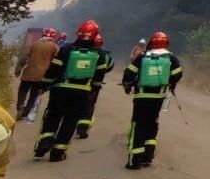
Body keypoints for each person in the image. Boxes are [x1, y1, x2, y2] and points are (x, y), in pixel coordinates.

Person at [34, 19, 102, 162]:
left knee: (52, 116)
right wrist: (93, 91)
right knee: (70, 121)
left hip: (60, 89)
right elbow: (98, 77)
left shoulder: (66, 48)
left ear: (79, 33)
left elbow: (54, 68)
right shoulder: (98, 55)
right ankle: (57, 153)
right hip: (82, 92)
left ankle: (44, 143)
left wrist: (44, 85)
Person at [121, 31, 182, 170]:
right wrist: (170, 83)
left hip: (141, 97)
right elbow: (178, 74)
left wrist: (127, 85)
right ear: (166, 43)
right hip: (159, 97)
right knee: (152, 123)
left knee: (139, 125)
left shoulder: (142, 57)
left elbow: (129, 73)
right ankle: (147, 157)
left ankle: (134, 161)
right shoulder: (171, 57)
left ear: (151, 43)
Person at [75, 32, 114, 140]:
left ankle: (73, 122)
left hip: (76, 82)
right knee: (88, 106)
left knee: (75, 105)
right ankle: (82, 128)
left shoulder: (77, 50)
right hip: (92, 85)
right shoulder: (102, 55)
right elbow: (109, 67)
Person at [14, 28, 58, 122]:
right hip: (42, 76)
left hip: (29, 73)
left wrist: (18, 69)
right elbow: (56, 62)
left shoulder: (34, 44)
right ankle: (26, 112)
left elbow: (24, 57)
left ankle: (20, 106)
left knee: (23, 90)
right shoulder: (54, 47)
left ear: (43, 34)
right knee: (34, 95)